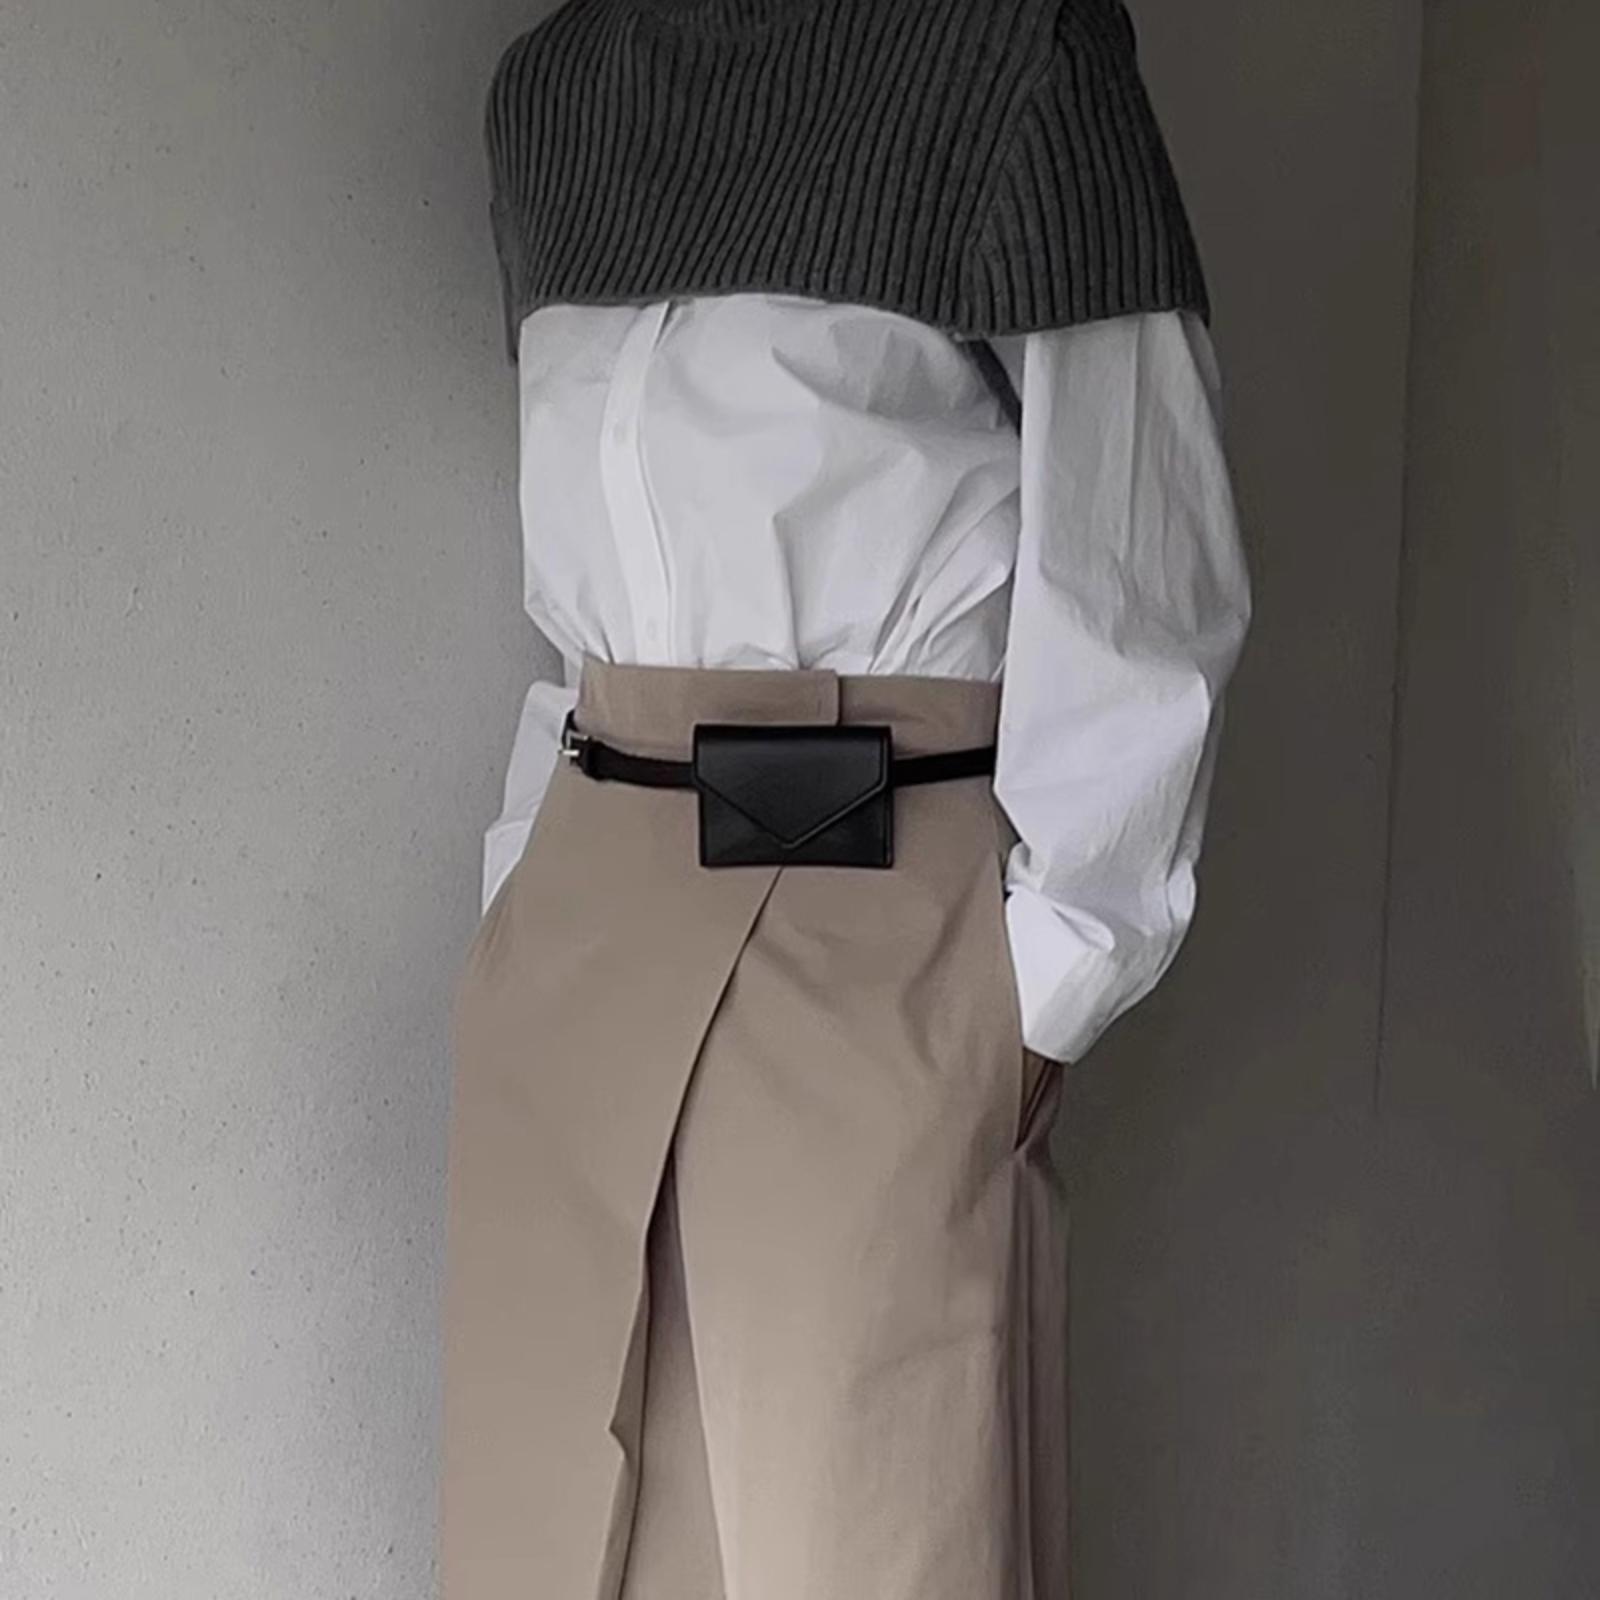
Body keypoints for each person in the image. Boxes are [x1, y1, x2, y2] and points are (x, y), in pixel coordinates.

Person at [439, 1, 1251, 1595]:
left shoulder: (1009, 59)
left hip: (879, 905)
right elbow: (589, 558)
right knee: (548, 1532)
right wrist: (522, 880)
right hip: (584, 911)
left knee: (869, 1527)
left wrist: (1047, 977)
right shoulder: (555, 90)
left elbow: (1142, 553)